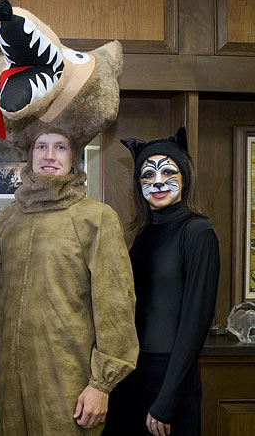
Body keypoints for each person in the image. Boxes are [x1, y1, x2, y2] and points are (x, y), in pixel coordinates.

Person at [0, 131, 139, 435]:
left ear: (73, 156)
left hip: (67, 388)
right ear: (30, 154)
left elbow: (115, 307)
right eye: (41, 146)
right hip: (10, 389)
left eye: (60, 146)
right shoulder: (8, 220)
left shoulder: (96, 218)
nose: (49, 156)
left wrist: (101, 384)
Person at [103, 126, 220, 436]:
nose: (156, 181)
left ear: (185, 178)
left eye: (167, 171)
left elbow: (195, 323)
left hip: (170, 382)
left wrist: (167, 399)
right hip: (130, 377)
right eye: (146, 175)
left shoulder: (198, 233)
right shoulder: (142, 235)